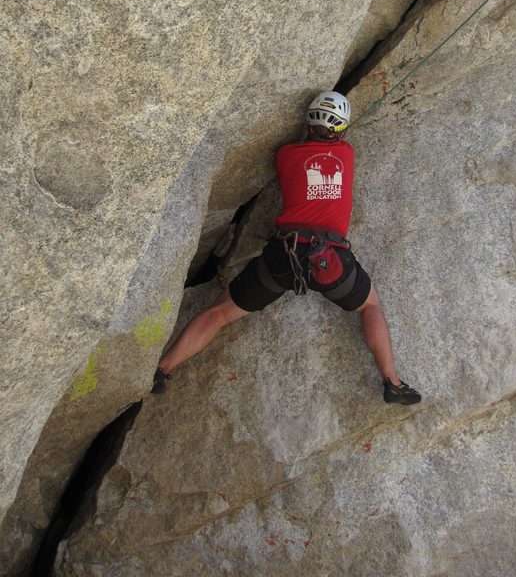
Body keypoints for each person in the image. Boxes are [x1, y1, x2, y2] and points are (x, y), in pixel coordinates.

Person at [152, 91, 421, 405]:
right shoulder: (346, 154)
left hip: (284, 256)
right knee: (369, 306)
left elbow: (308, 150)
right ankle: (392, 382)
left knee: (220, 313)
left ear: (308, 121)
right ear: (341, 131)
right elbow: (334, 141)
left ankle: (162, 369)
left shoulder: (285, 155)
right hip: (329, 259)